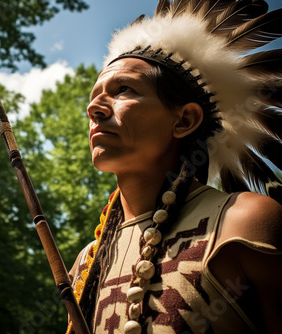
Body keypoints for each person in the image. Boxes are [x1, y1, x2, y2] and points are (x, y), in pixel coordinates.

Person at [67, 1, 282, 333]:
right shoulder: (86, 265)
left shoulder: (244, 223)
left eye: (123, 89)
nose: (93, 107)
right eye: (95, 95)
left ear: (184, 119)